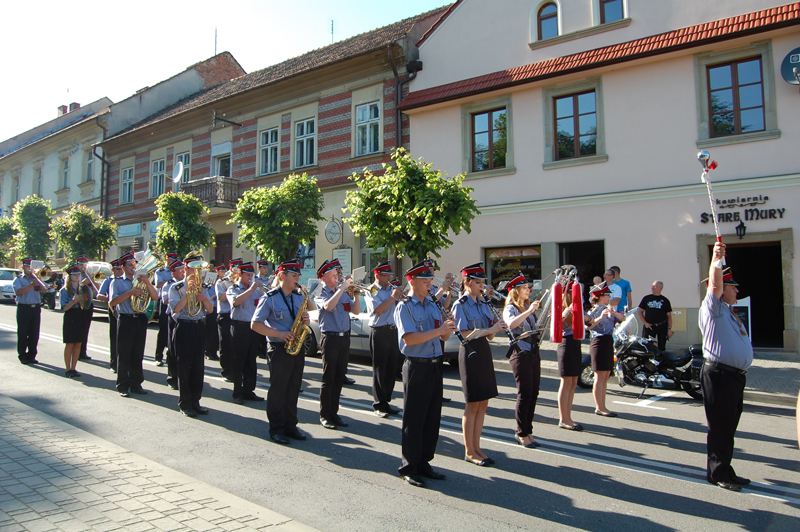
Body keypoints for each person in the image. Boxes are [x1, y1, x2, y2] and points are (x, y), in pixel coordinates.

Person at [395, 260, 455, 488]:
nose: (430, 285)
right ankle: (409, 466)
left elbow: (443, 338)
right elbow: (409, 339)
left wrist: (447, 329)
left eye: (430, 281)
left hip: (434, 364)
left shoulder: (432, 305)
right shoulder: (405, 306)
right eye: (425, 281)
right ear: (413, 282)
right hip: (416, 366)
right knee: (414, 418)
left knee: (432, 417)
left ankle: (424, 462)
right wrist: (438, 330)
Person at [699, 242, 753, 492]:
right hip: (720, 374)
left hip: (733, 376)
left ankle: (726, 469)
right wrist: (716, 259)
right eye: (734, 286)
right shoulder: (713, 308)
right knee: (720, 426)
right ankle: (718, 473)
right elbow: (715, 284)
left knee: (729, 426)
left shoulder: (728, 312)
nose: (737, 290)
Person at [252, 259, 311, 444]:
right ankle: (276, 429)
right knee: (279, 390)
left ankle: (291, 426)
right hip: (278, 348)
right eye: (293, 276)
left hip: (296, 347)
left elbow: (302, 320)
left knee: (293, 389)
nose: (297, 279)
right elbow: (255, 324)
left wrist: (306, 321)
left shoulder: (299, 297)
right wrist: (279, 333)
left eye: (298, 276)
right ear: (282, 276)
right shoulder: (269, 297)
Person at [452, 263, 505, 466]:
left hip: (483, 350)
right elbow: (463, 334)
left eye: (483, 282)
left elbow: (490, 336)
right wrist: (490, 328)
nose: (482, 285)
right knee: (472, 404)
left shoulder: (484, 303)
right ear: (467, 283)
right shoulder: (461, 304)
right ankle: (469, 450)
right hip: (470, 352)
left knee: (483, 403)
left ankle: (478, 447)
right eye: (477, 282)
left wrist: (496, 326)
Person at [314, 259, 360, 429]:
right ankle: (325, 414)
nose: (337, 277)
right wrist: (341, 289)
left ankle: (334, 413)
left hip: (344, 337)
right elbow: (328, 307)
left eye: (337, 274)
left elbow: (355, 310)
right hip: (330, 338)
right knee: (329, 377)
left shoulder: (343, 292)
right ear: (324, 277)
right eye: (333, 275)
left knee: (339, 377)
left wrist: (355, 294)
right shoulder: (320, 291)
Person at [168, 256, 213, 417]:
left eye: (199, 271)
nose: (198, 274)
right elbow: (176, 309)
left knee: (198, 367)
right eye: (195, 270)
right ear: (186, 270)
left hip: (199, 326)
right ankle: (185, 403)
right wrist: (188, 293)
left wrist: (204, 298)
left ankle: (196, 401)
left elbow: (210, 310)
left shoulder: (203, 287)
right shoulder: (176, 287)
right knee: (184, 367)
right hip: (184, 326)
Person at [109, 251, 159, 397]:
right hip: (126, 319)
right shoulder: (116, 282)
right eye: (129, 265)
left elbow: (155, 297)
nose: (133, 267)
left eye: (134, 264)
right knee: (124, 354)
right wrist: (131, 292)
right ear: (123, 267)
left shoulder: (143, 280)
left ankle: (136, 384)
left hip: (140, 319)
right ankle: (123, 385)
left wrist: (148, 283)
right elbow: (113, 303)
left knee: (138, 353)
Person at [502, 273, 542, 448]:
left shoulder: (526, 307)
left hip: (533, 352)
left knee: (534, 393)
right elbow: (511, 325)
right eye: (525, 288)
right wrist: (529, 311)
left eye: (528, 287)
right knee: (524, 393)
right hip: (520, 353)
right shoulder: (511, 308)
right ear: (516, 291)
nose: (528, 290)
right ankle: (521, 432)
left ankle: (529, 429)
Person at [364, 261, 403, 418]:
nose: (388, 279)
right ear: (377, 275)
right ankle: (378, 404)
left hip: (393, 330)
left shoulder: (390, 289)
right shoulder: (372, 290)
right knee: (380, 369)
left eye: (389, 276)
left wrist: (399, 297)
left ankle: (386, 401)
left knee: (392, 368)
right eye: (386, 276)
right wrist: (393, 297)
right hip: (379, 331)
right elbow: (378, 309)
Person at [227, 261, 264, 405]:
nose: (250, 278)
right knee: (238, 360)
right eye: (247, 275)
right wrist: (251, 289)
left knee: (251, 360)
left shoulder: (256, 289)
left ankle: (249, 390)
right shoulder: (233, 288)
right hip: (239, 326)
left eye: (251, 275)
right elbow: (236, 302)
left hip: (253, 327)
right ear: (240, 275)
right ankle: (237, 392)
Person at [585, 282, 622, 418]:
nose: (609, 297)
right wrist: (600, 318)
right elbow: (587, 326)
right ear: (601, 296)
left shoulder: (608, 308)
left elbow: (622, 319)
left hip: (608, 341)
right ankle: (599, 407)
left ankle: (603, 405)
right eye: (607, 295)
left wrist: (614, 313)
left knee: (606, 375)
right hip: (598, 342)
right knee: (599, 377)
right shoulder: (594, 310)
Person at [557, 283, 586, 431]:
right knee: (566, 381)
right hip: (566, 344)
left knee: (574, 381)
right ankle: (563, 418)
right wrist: (566, 311)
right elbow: (556, 323)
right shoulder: (561, 308)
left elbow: (587, 320)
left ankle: (569, 416)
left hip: (576, 342)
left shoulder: (577, 307)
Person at [13, 257, 47, 365]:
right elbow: (19, 291)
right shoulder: (18, 279)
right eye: (27, 266)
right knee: (23, 333)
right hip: (24, 308)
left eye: (31, 266)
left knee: (34, 333)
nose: (30, 269)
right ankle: (22, 355)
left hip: (35, 308)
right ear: (23, 267)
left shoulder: (37, 279)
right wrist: (32, 284)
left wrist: (39, 280)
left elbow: (45, 290)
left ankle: (32, 355)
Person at [60, 264, 90, 378]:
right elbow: (64, 308)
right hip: (70, 316)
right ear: (70, 277)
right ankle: (68, 369)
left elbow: (87, 303)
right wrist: (73, 301)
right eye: (75, 275)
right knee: (70, 344)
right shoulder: (64, 290)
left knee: (78, 343)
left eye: (78, 274)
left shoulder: (82, 288)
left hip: (80, 315)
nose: (77, 276)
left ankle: (74, 368)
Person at [162, 261, 186, 390]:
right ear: (173, 272)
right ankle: (172, 377)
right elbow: (165, 300)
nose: (183, 272)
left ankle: (182, 377)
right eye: (180, 270)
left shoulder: (186, 284)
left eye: (184, 269)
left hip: (185, 317)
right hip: (173, 318)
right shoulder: (169, 285)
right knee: (172, 349)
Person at [97, 259, 123, 372]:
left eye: (120, 269)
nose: (119, 271)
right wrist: (112, 298)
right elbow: (99, 295)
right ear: (112, 270)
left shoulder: (126, 280)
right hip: (114, 309)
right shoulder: (108, 280)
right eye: (117, 269)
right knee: (115, 337)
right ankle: (114, 364)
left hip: (125, 310)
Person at [154, 251, 179, 366]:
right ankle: (158, 356)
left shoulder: (179, 271)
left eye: (175, 259)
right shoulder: (160, 271)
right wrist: (173, 281)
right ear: (167, 259)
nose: (173, 261)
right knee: (164, 330)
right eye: (171, 259)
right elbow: (159, 284)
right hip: (165, 302)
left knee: (173, 331)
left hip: (177, 302)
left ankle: (171, 357)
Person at [638, 280, 674, 352]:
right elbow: (640, 311)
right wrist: (645, 323)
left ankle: (661, 362)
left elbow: (669, 316)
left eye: (655, 286)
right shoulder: (646, 298)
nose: (652, 287)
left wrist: (669, 329)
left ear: (660, 288)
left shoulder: (665, 300)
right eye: (652, 286)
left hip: (662, 326)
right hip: (649, 326)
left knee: (662, 347)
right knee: (647, 346)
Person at [216, 261, 236, 381]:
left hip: (236, 316)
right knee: (225, 345)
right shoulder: (221, 282)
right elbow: (222, 298)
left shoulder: (239, 283)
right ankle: (226, 371)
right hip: (225, 314)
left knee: (235, 345)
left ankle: (236, 371)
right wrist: (231, 286)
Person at [76, 255, 98, 361]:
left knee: (85, 329)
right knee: (78, 329)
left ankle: (83, 351)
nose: (83, 267)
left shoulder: (89, 275)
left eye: (84, 265)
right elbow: (70, 288)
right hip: (78, 305)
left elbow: (98, 289)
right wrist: (81, 283)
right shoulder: (73, 275)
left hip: (88, 304)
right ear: (77, 265)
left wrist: (92, 281)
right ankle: (76, 351)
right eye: (81, 265)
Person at [254, 259, 272, 360]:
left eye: (266, 268)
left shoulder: (269, 280)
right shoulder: (255, 279)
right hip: (257, 306)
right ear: (259, 268)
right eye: (263, 268)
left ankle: (264, 349)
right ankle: (259, 350)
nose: (265, 270)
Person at [204, 267, 219, 362]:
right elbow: (208, 297)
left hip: (217, 309)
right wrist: (216, 294)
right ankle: (208, 351)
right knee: (209, 332)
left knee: (215, 332)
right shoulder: (208, 287)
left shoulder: (217, 286)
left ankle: (214, 351)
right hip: (210, 310)